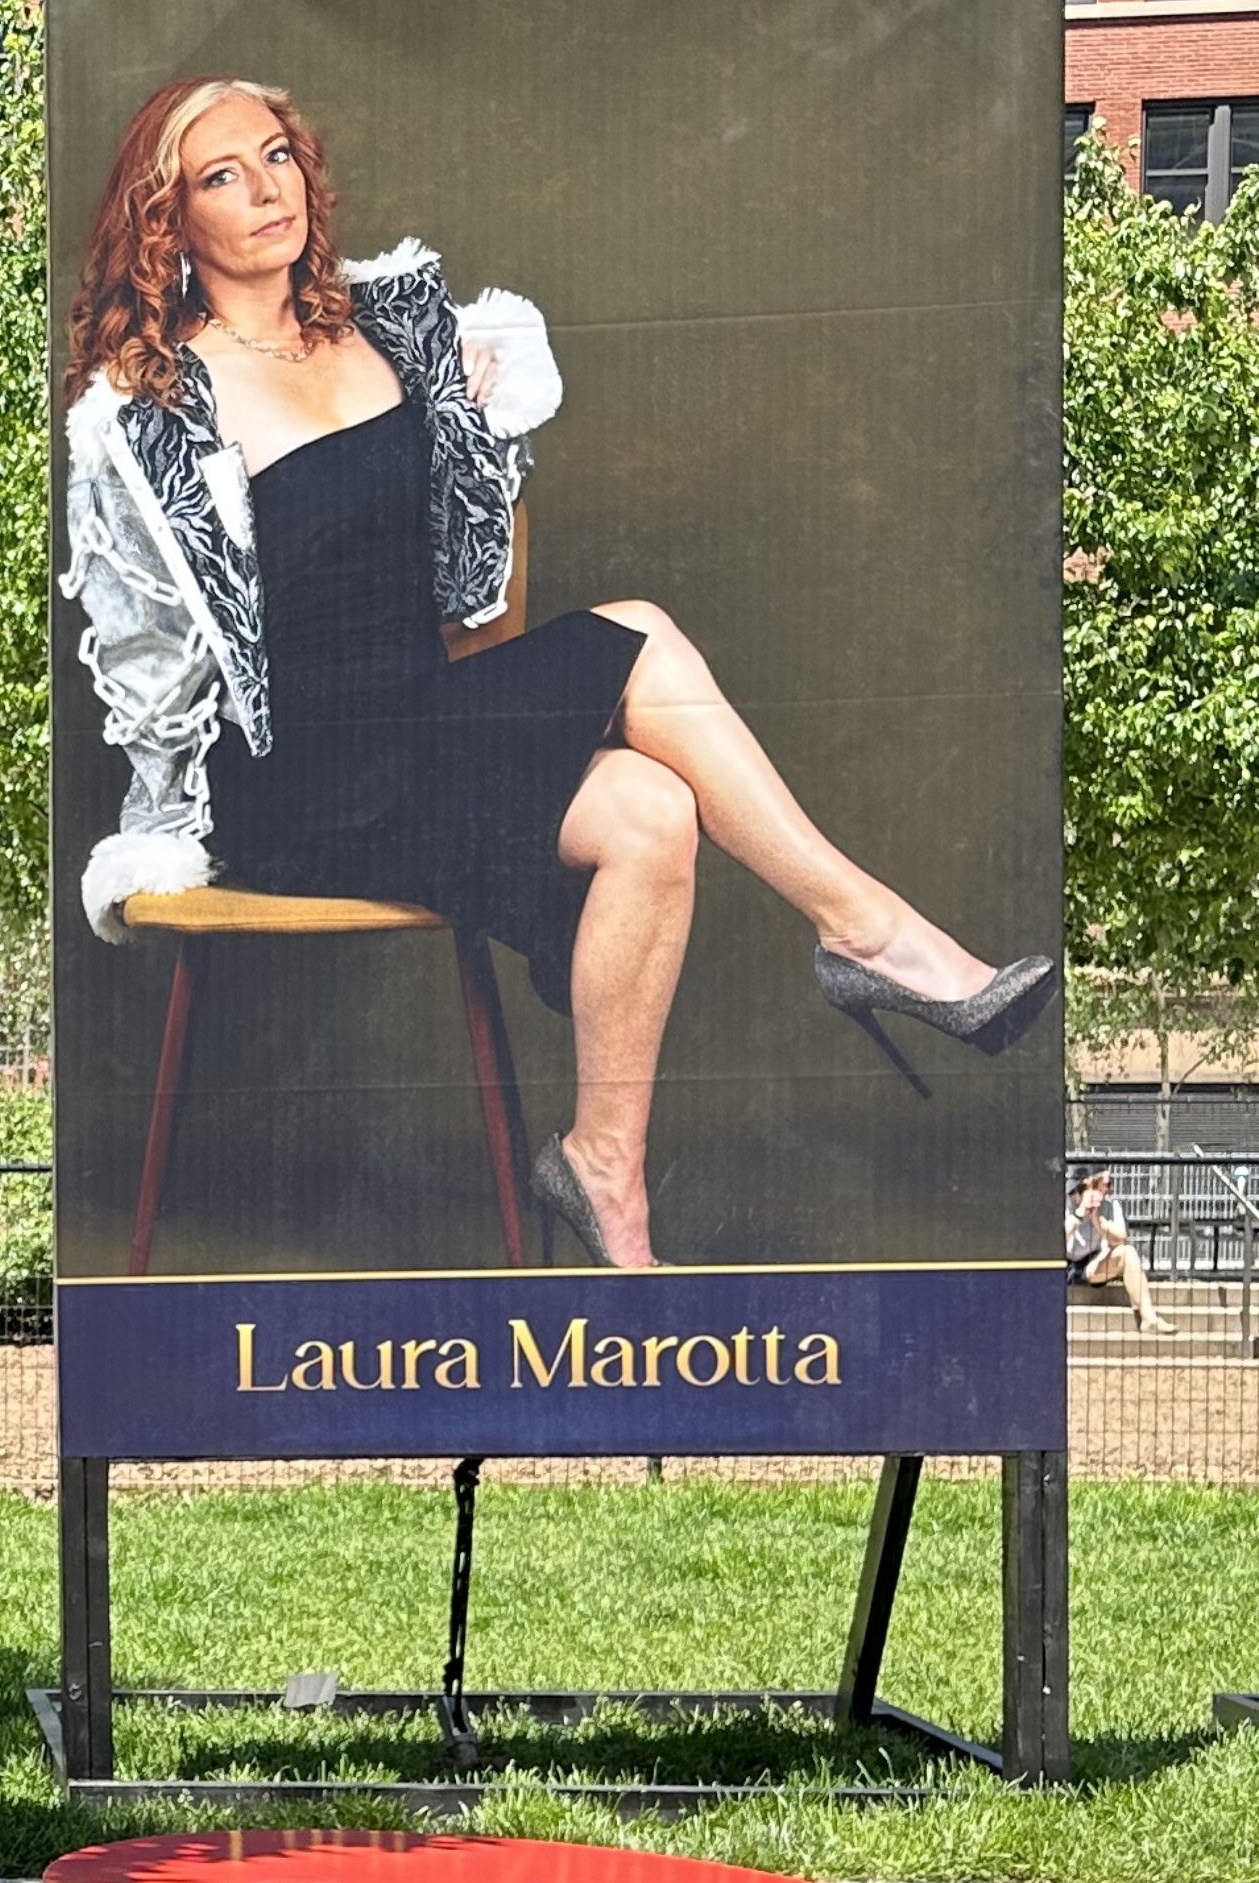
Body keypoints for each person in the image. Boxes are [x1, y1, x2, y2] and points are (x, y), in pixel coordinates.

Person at [59, 75, 1055, 1273]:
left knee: (653, 809)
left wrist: (486, 411)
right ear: (170, 220)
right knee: (636, 626)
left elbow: (469, 562)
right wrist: (163, 827)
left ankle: (603, 1169)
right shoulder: (154, 407)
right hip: (300, 779)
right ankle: (869, 931)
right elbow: (151, 655)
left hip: (423, 725)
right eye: (224, 175)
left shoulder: (390, 326)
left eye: (277, 156)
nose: (267, 189)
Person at [1069, 1168, 1177, 1332]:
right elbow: (1054, 1240)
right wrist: (1080, 1213)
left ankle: (1149, 1318)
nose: (1109, 1189)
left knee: (1128, 1252)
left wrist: (1098, 1221)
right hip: (1066, 1266)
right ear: (1087, 1185)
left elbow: (1121, 1237)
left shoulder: (1111, 1205)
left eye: (1110, 1184)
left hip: (1094, 1263)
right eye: (1104, 1184)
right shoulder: (1063, 1202)